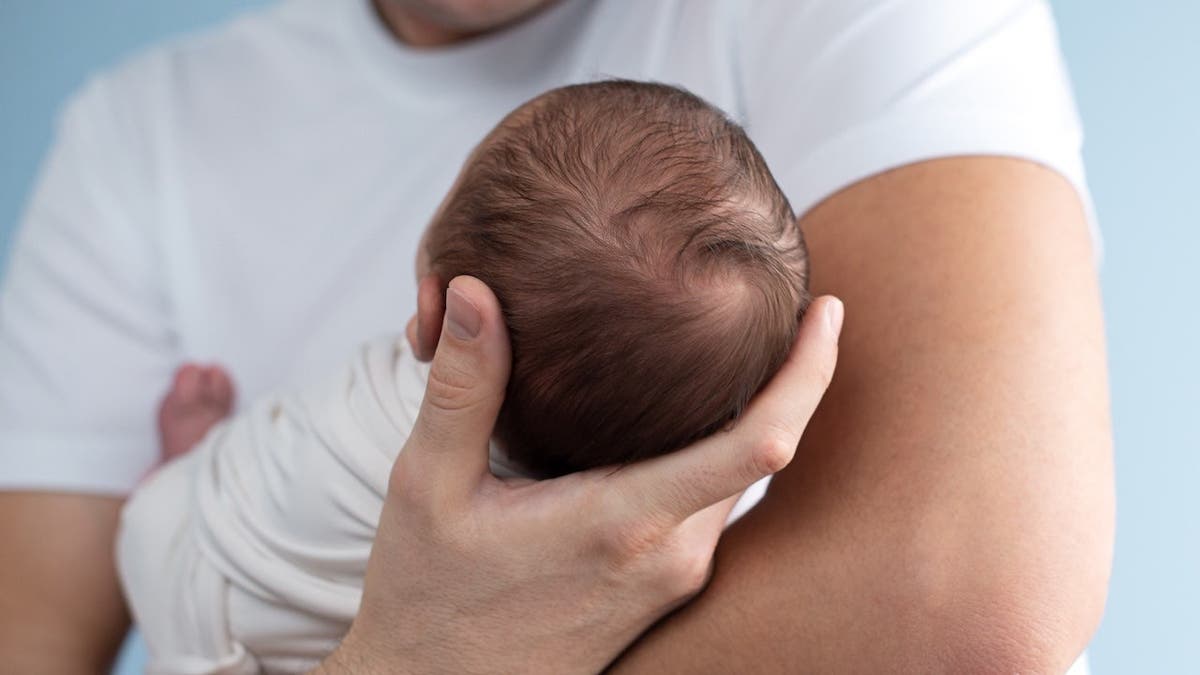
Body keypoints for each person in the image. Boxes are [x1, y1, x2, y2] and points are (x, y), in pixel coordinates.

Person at [0, 0, 1113, 672]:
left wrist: (405, 659)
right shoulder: (133, 137)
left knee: (190, 537)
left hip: (222, 564)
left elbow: (974, 607)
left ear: (436, 311)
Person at [117, 79, 810, 673]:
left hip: (188, 574)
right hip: (251, 620)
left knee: (264, 472)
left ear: (434, 311)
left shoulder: (410, 375)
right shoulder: (604, 555)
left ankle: (188, 463)